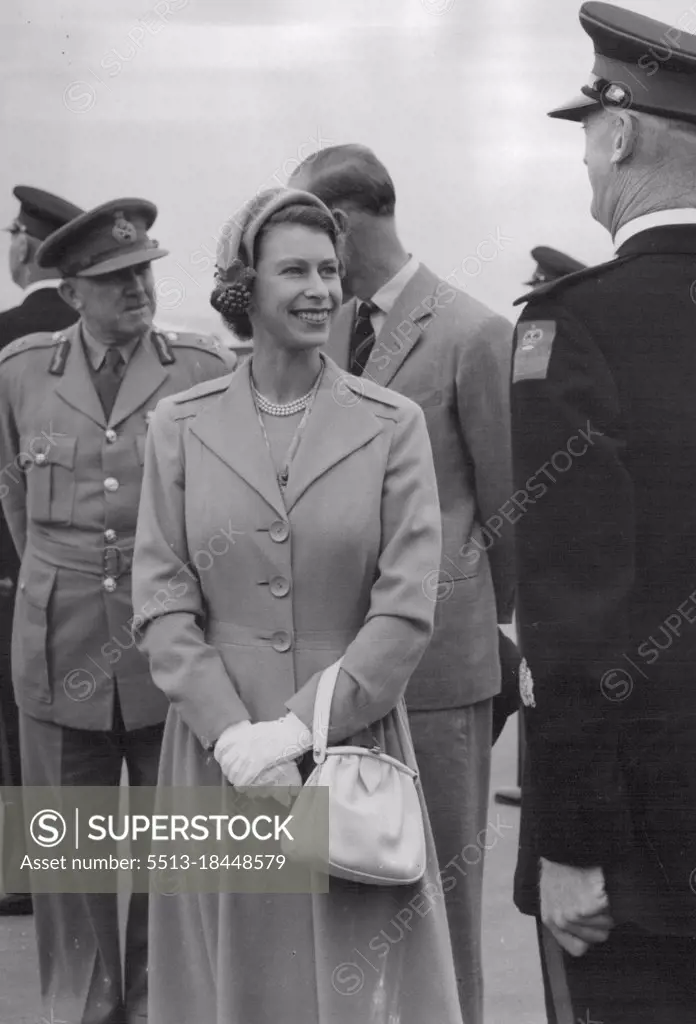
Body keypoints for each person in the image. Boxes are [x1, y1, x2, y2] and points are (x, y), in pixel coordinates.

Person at [131, 186, 463, 1024]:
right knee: (228, 983)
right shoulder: (180, 423)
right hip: (219, 751)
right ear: (245, 287)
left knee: (355, 982)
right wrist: (237, 735)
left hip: (346, 746)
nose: (320, 289)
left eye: (329, 270)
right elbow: (163, 596)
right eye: (295, 271)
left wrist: (301, 728)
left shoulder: (392, 424)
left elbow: (407, 602)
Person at [510, 4, 696, 1022]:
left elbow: (573, 619)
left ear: (617, 134)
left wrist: (570, 841)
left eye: (586, 136)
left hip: (631, 835)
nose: (584, 164)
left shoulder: (571, 328)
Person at [289, 145, 514, 1024]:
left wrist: (487, 635)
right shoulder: (324, 331)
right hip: (330, 679)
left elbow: (509, 507)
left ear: (340, 225)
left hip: (439, 677)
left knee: (444, 903)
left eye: (307, 228)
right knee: (339, 900)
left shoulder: (472, 332)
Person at [0, 196, 235, 1024]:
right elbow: (15, 501)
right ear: (71, 292)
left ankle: (159, 1000)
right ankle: (85, 1004)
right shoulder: (20, 372)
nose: (136, 287)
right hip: (59, 643)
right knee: (69, 848)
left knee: (184, 847)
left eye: (141, 270)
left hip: (169, 642)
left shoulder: (203, 371)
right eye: (113, 277)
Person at [0, 185, 84, 917]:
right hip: (84, 574)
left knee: (16, 718)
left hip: (14, 565)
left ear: (26, 245)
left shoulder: (5, 338)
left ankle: (23, 872)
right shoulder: (97, 336)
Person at [495, 247, 588, 809]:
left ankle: (547, 785)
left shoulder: (553, 337)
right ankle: (536, 781)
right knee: (534, 664)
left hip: (557, 537)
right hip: (544, 537)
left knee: (550, 666)